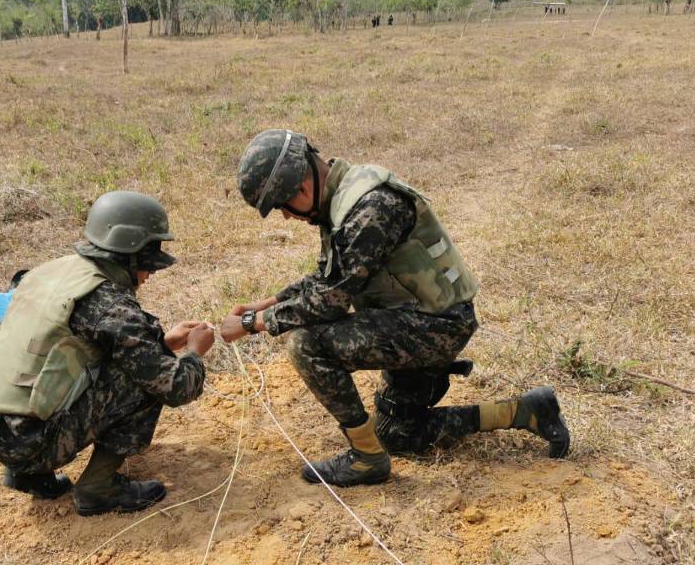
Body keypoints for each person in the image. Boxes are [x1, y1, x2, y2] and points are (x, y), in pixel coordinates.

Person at [219, 129, 569, 488]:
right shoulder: (343, 197)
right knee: (398, 432)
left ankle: (366, 458)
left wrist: (251, 323)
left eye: (281, 207)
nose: (285, 217)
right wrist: (269, 303)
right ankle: (526, 411)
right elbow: (329, 277)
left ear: (301, 189)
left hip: (435, 327)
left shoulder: (370, 208)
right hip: (420, 319)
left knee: (305, 344)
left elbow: (330, 300)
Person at [0, 191, 214, 516]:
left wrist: (163, 341)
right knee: (145, 382)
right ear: (131, 253)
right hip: (27, 440)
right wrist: (194, 352)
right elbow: (177, 386)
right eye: (149, 259)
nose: (150, 272)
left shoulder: (50, 273)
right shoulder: (110, 304)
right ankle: (99, 488)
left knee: (129, 363)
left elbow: (64, 351)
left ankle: (27, 474)